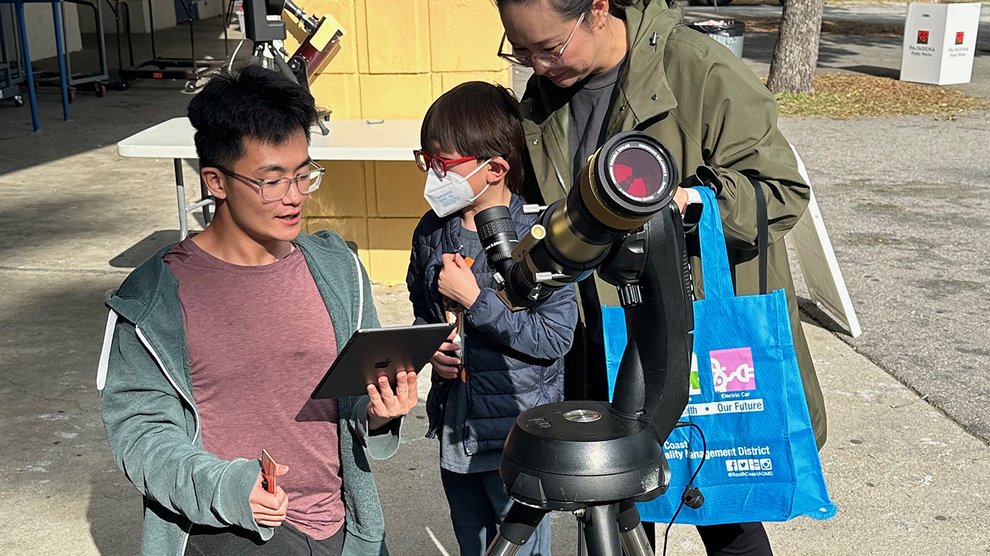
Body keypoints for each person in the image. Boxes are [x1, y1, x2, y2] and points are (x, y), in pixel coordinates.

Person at [495, 0, 828, 554]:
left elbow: (781, 191)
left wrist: (688, 205)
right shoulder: (545, 96)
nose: (537, 65)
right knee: (618, 502)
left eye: (548, 48)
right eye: (520, 50)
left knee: (721, 509)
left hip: (684, 334)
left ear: (598, 8)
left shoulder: (698, 70)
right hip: (599, 342)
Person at [97, 65, 416, 555]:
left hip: (341, 525)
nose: (294, 197)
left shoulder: (338, 270)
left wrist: (376, 412)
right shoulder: (153, 298)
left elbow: (353, 396)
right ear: (216, 181)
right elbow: (140, 435)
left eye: (303, 174)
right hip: (228, 529)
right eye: (271, 181)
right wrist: (228, 489)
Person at [406, 81, 578, 556]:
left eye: (444, 164)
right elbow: (422, 312)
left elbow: (554, 338)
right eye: (427, 160)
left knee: (519, 547)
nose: (433, 174)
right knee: (473, 543)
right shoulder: (432, 231)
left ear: (496, 168)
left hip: (515, 438)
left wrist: (476, 300)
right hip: (455, 430)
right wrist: (431, 349)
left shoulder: (541, 235)